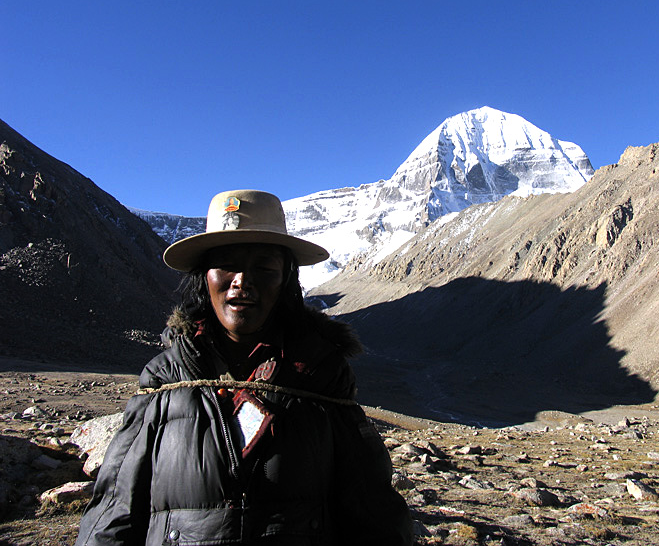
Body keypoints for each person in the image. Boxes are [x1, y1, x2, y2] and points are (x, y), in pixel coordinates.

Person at [75, 190, 413, 545]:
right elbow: (113, 515)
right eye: (226, 265)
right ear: (204, 276)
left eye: (263, 268)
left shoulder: (322, 377)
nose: (242, 281)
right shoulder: (165, 382)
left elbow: (376, 518)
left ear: (285, 279)